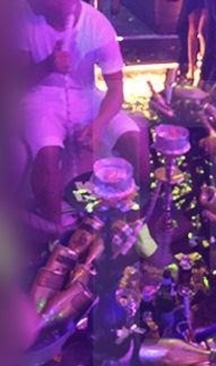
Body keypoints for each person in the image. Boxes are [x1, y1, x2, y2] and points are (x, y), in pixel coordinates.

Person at [19, 0, 148, 230]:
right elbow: (16, 82)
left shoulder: (96, 23)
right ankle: (57, 232)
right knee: (47, 154)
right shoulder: (24, 20)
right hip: (40, 95)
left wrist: (100, 123)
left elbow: (116, 90)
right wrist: (48, 66)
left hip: (86, 93)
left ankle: (137, 222)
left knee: (134, 140)